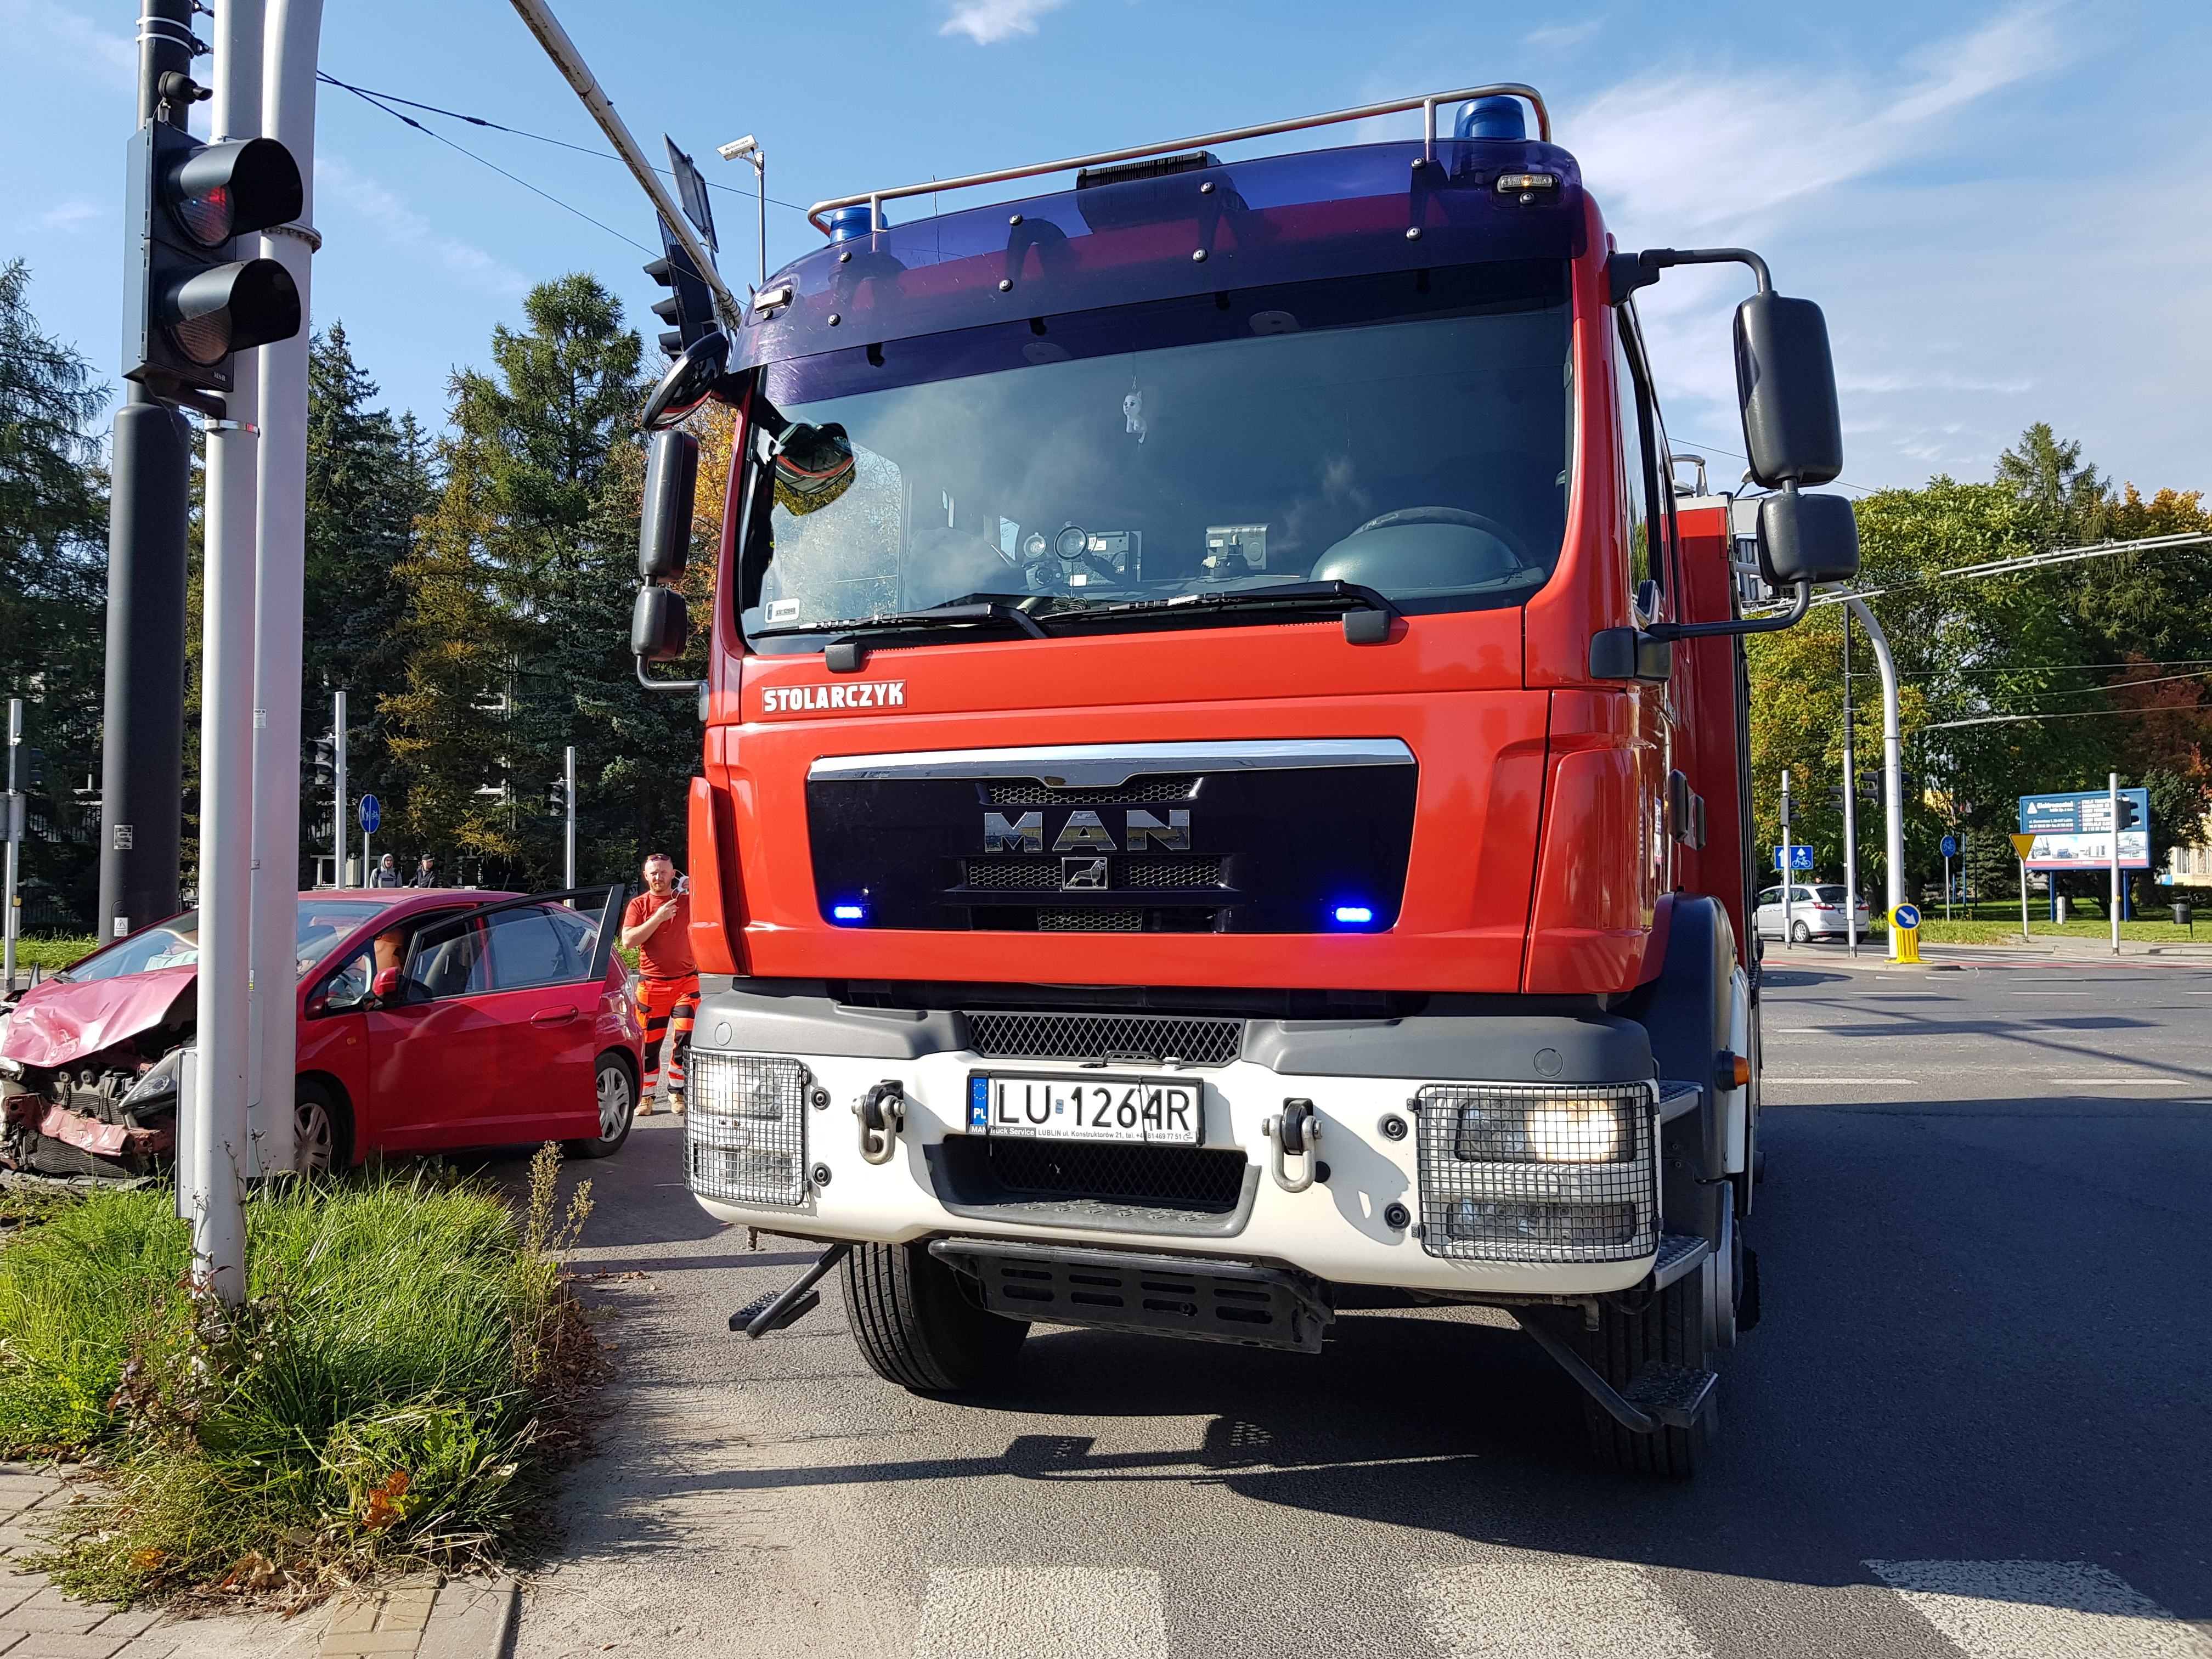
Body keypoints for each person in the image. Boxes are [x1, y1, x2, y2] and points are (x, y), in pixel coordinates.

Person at [620, 853, 697, 1115]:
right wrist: (659, 917)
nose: (658, 877)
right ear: (645, 876)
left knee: (685, 1039)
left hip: (686, 982)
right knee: (649, 1045)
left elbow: (720, 900)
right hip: (652, 985)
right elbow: (628, 941)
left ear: (673, 874)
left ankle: (678, 1092)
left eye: (664, 872)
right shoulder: (638, 905)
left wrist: (695, 885)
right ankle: (646, 1095)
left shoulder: (689, 901)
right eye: (653, 872)